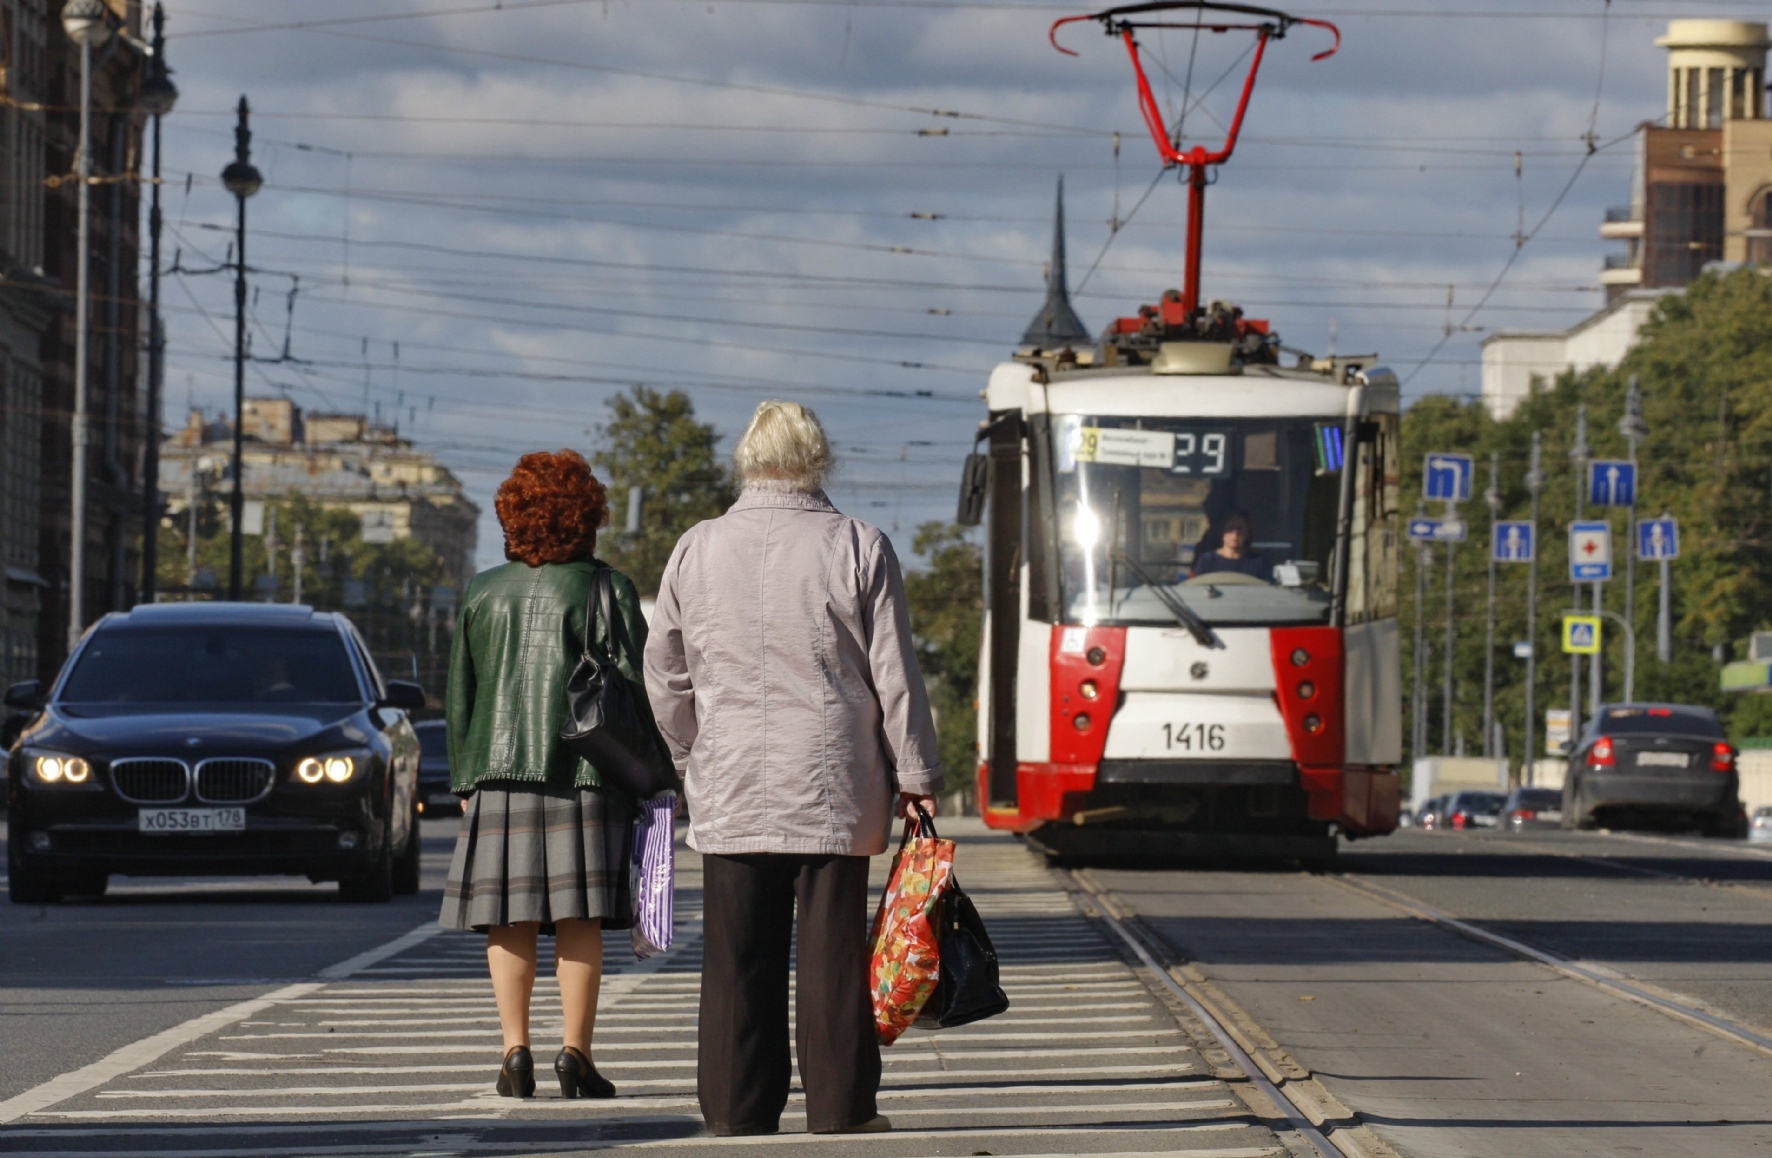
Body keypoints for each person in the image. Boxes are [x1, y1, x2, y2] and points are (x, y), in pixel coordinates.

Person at [644, 399, 944, 1137]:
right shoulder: (858, 545)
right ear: (820, 459)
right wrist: (917, 775)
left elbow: (664, 672)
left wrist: (693, 753)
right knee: (834, 956)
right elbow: (894, 674)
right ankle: (841, 1108)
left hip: (733, 778)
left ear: (747, 460)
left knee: (734, 960)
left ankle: (736, 1108)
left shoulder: (697, 547)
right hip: (834, 785)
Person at [440, 449, 659, 1102]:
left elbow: (461, 694)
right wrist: (658, 773)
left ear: (514, 516)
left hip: (496, 774)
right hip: (586, 774)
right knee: (577, 919)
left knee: (507, 919)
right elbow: (641, 687)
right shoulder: (607, 587)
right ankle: (576, 1053)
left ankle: (514, 1053)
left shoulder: (483, 591)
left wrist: (463, 778)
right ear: (587, 516)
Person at [1190, 509, 1273, 582]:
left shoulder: (1258, 562)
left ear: (1248, 533)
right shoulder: (1207, 561)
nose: (1235, 534)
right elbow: (1197, 589)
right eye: (1230, 528)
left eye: (1240, 529)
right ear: (1222, 531)